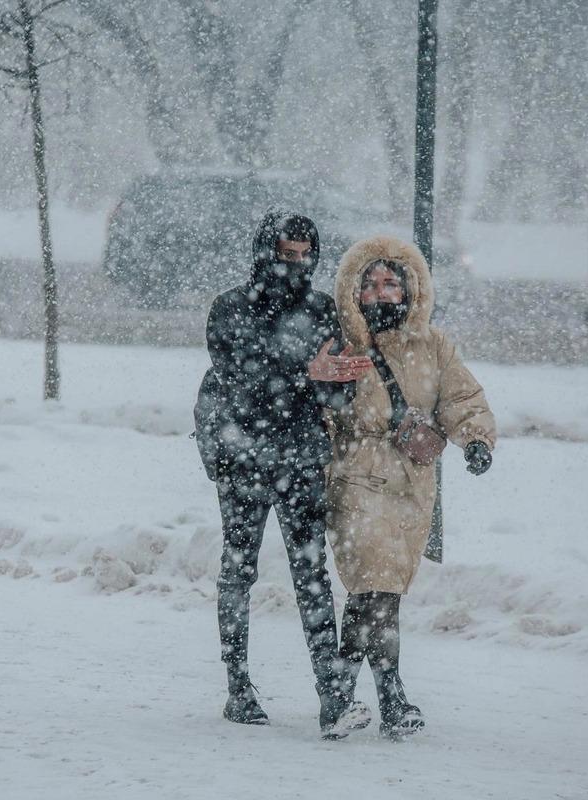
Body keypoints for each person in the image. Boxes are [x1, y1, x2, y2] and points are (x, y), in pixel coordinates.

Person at [201, 210, 373, 738]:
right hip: (244, 459)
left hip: (299, 461)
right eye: (286, 254)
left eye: (305, 256)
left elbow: (330, 391)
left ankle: (332, 695)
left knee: (313, 575)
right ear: (263, 252)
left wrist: (340, 378)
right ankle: (238, 686)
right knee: (239, 568)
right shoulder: (230, 307)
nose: (296, 265)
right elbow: (239, 377)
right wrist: (306, 373)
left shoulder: (323, 310)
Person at [325, 235, 496, 739]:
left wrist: (477, 438)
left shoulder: (434, 346)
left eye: (392, 283)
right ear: (353, 290)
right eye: (371, 283)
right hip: (357, 476)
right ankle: (389, 695)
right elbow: (317, 408)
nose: (382, 292)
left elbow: (462, 396)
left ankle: (342, 692)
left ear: (411, 289)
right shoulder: (340, 342)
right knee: (375, 584)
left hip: (411, 486)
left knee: (380, 591)